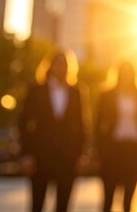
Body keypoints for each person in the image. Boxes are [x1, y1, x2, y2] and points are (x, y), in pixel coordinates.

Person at [17, 50, 86, 212]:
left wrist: (81, 153)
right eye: (57, 63)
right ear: (49, 66)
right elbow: (23, 123)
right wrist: (26, 153)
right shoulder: (36, 90)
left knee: (63, 205)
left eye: (64, 64)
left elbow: (82, 125)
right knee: (37, 203)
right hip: (41, 156)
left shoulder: (76, 92)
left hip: (67, 156)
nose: (61, 67)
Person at [96, 62, 137, 212]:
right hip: (113, 150)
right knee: (108, 198)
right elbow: (98, 125)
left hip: (134, 150)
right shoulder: (107, 95)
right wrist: (99, 152)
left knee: (129, 201)